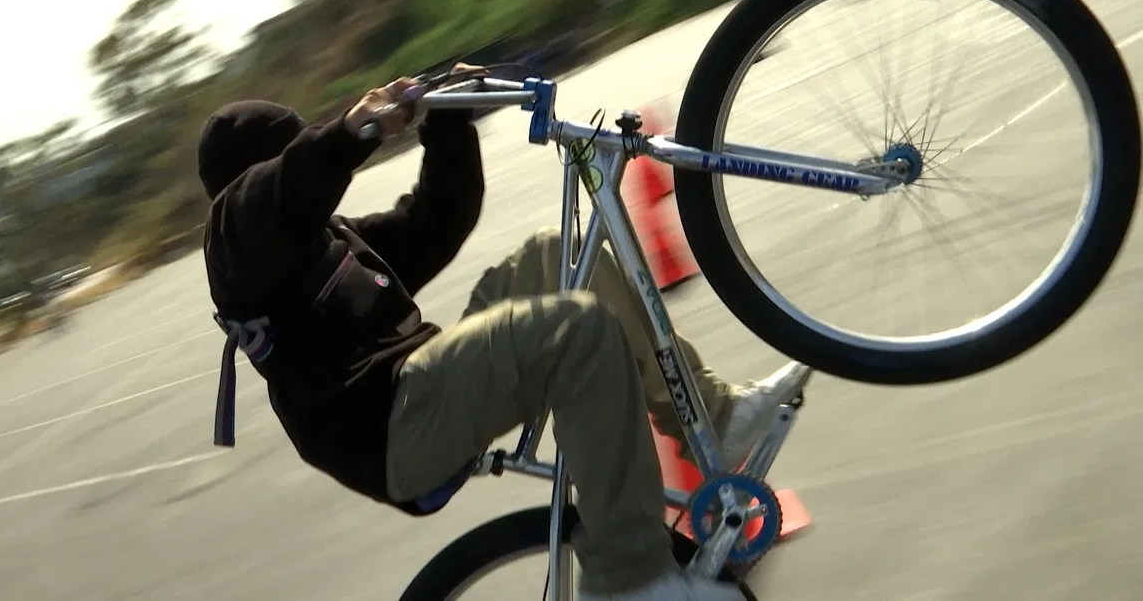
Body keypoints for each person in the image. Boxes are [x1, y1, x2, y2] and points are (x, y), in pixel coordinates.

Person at [198, 65, 811, 601]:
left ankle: (713, 419)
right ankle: (629, 579)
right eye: (293, 152)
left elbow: (438, 220)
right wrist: (346, 134)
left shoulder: (325, 241)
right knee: (579, 333)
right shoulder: (234, 249)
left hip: (422, 386)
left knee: (558, 254)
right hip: (392, 431)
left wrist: (449, 121)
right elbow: (273, 195)